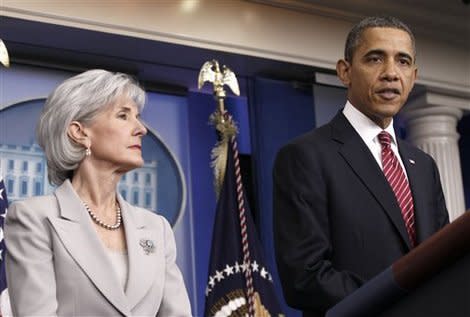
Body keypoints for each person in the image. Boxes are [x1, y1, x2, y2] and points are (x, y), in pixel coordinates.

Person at [273, 16, 449, 316]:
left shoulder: (423, 165)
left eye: (403, 61)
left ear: (414, 75)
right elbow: (305, 277)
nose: (391, 73)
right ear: (345, 71)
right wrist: (404, 299)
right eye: (375, 58)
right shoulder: (305, 156)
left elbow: (443, 261)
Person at [4, 69, 192, 316]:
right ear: (79, 132)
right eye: (123, 116)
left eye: (138, 116)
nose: (141, 129)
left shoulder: (157, 229)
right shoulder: (33, 218)